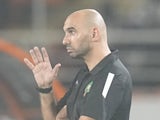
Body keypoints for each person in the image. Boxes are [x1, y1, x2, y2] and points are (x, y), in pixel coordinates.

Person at [24, 9, 132, 120]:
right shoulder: (84, 74)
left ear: (94, 34)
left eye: (71, 32)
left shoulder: (112, 76)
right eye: (65, 33)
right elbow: (55, 118)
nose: (64, 41)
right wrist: (45, 88)